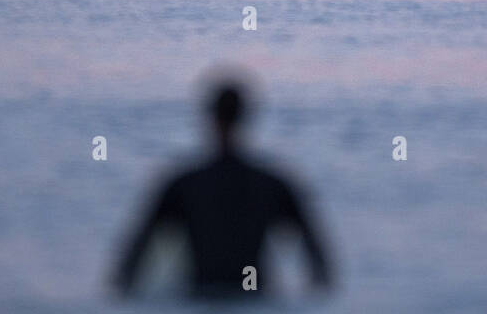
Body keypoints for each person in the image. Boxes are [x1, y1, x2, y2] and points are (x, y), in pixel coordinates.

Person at [113, 79, 331, 298]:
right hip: (254, 296)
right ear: (246, 117)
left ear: (210, 118)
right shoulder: (273, 185)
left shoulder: (183, 185)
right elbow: (320, 264)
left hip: (199, 297)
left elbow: (129, 265)